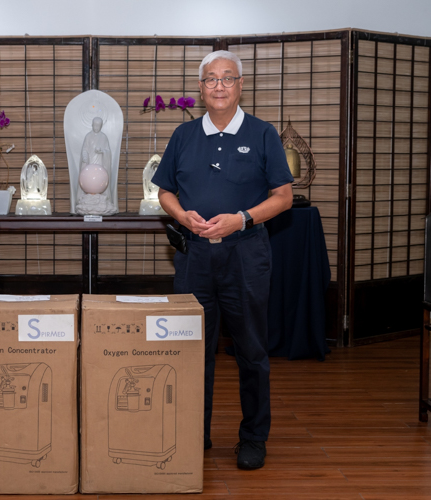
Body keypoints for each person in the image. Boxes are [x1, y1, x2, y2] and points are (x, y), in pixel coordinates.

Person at [152, 50, 293, 470]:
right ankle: (195, 432)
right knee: (191, 350)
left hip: (246, 256)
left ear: (241, 85)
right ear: (200, 88)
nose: (218, 86)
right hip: (195, 257)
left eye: (227, 78)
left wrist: (241, 219)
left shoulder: (263, 133)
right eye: (210, 79)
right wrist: (181, 216)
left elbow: (283, 198)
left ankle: (253, 437)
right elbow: (164, 191)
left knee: (251, 350)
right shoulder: (183, 135)